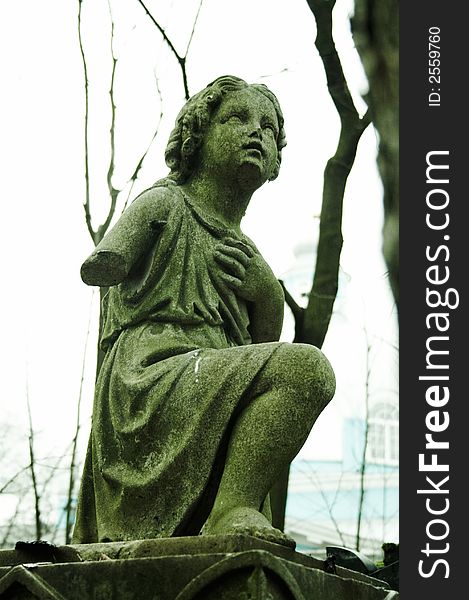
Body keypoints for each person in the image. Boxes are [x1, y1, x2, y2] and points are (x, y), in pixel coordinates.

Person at [72, 75, 335, 548]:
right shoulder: (165, 203)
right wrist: (116, 255)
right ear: (198, 135)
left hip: (209, 379)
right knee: (306, 367)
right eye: (238, 118)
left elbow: (259, 348)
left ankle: (232, 504)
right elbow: (105, 262)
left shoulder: (248, 256)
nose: (258, 132)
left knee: (302, 372)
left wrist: (268, 295)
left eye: (270, 128)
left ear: (276, 160)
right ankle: (230, 509)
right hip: (148, 377)